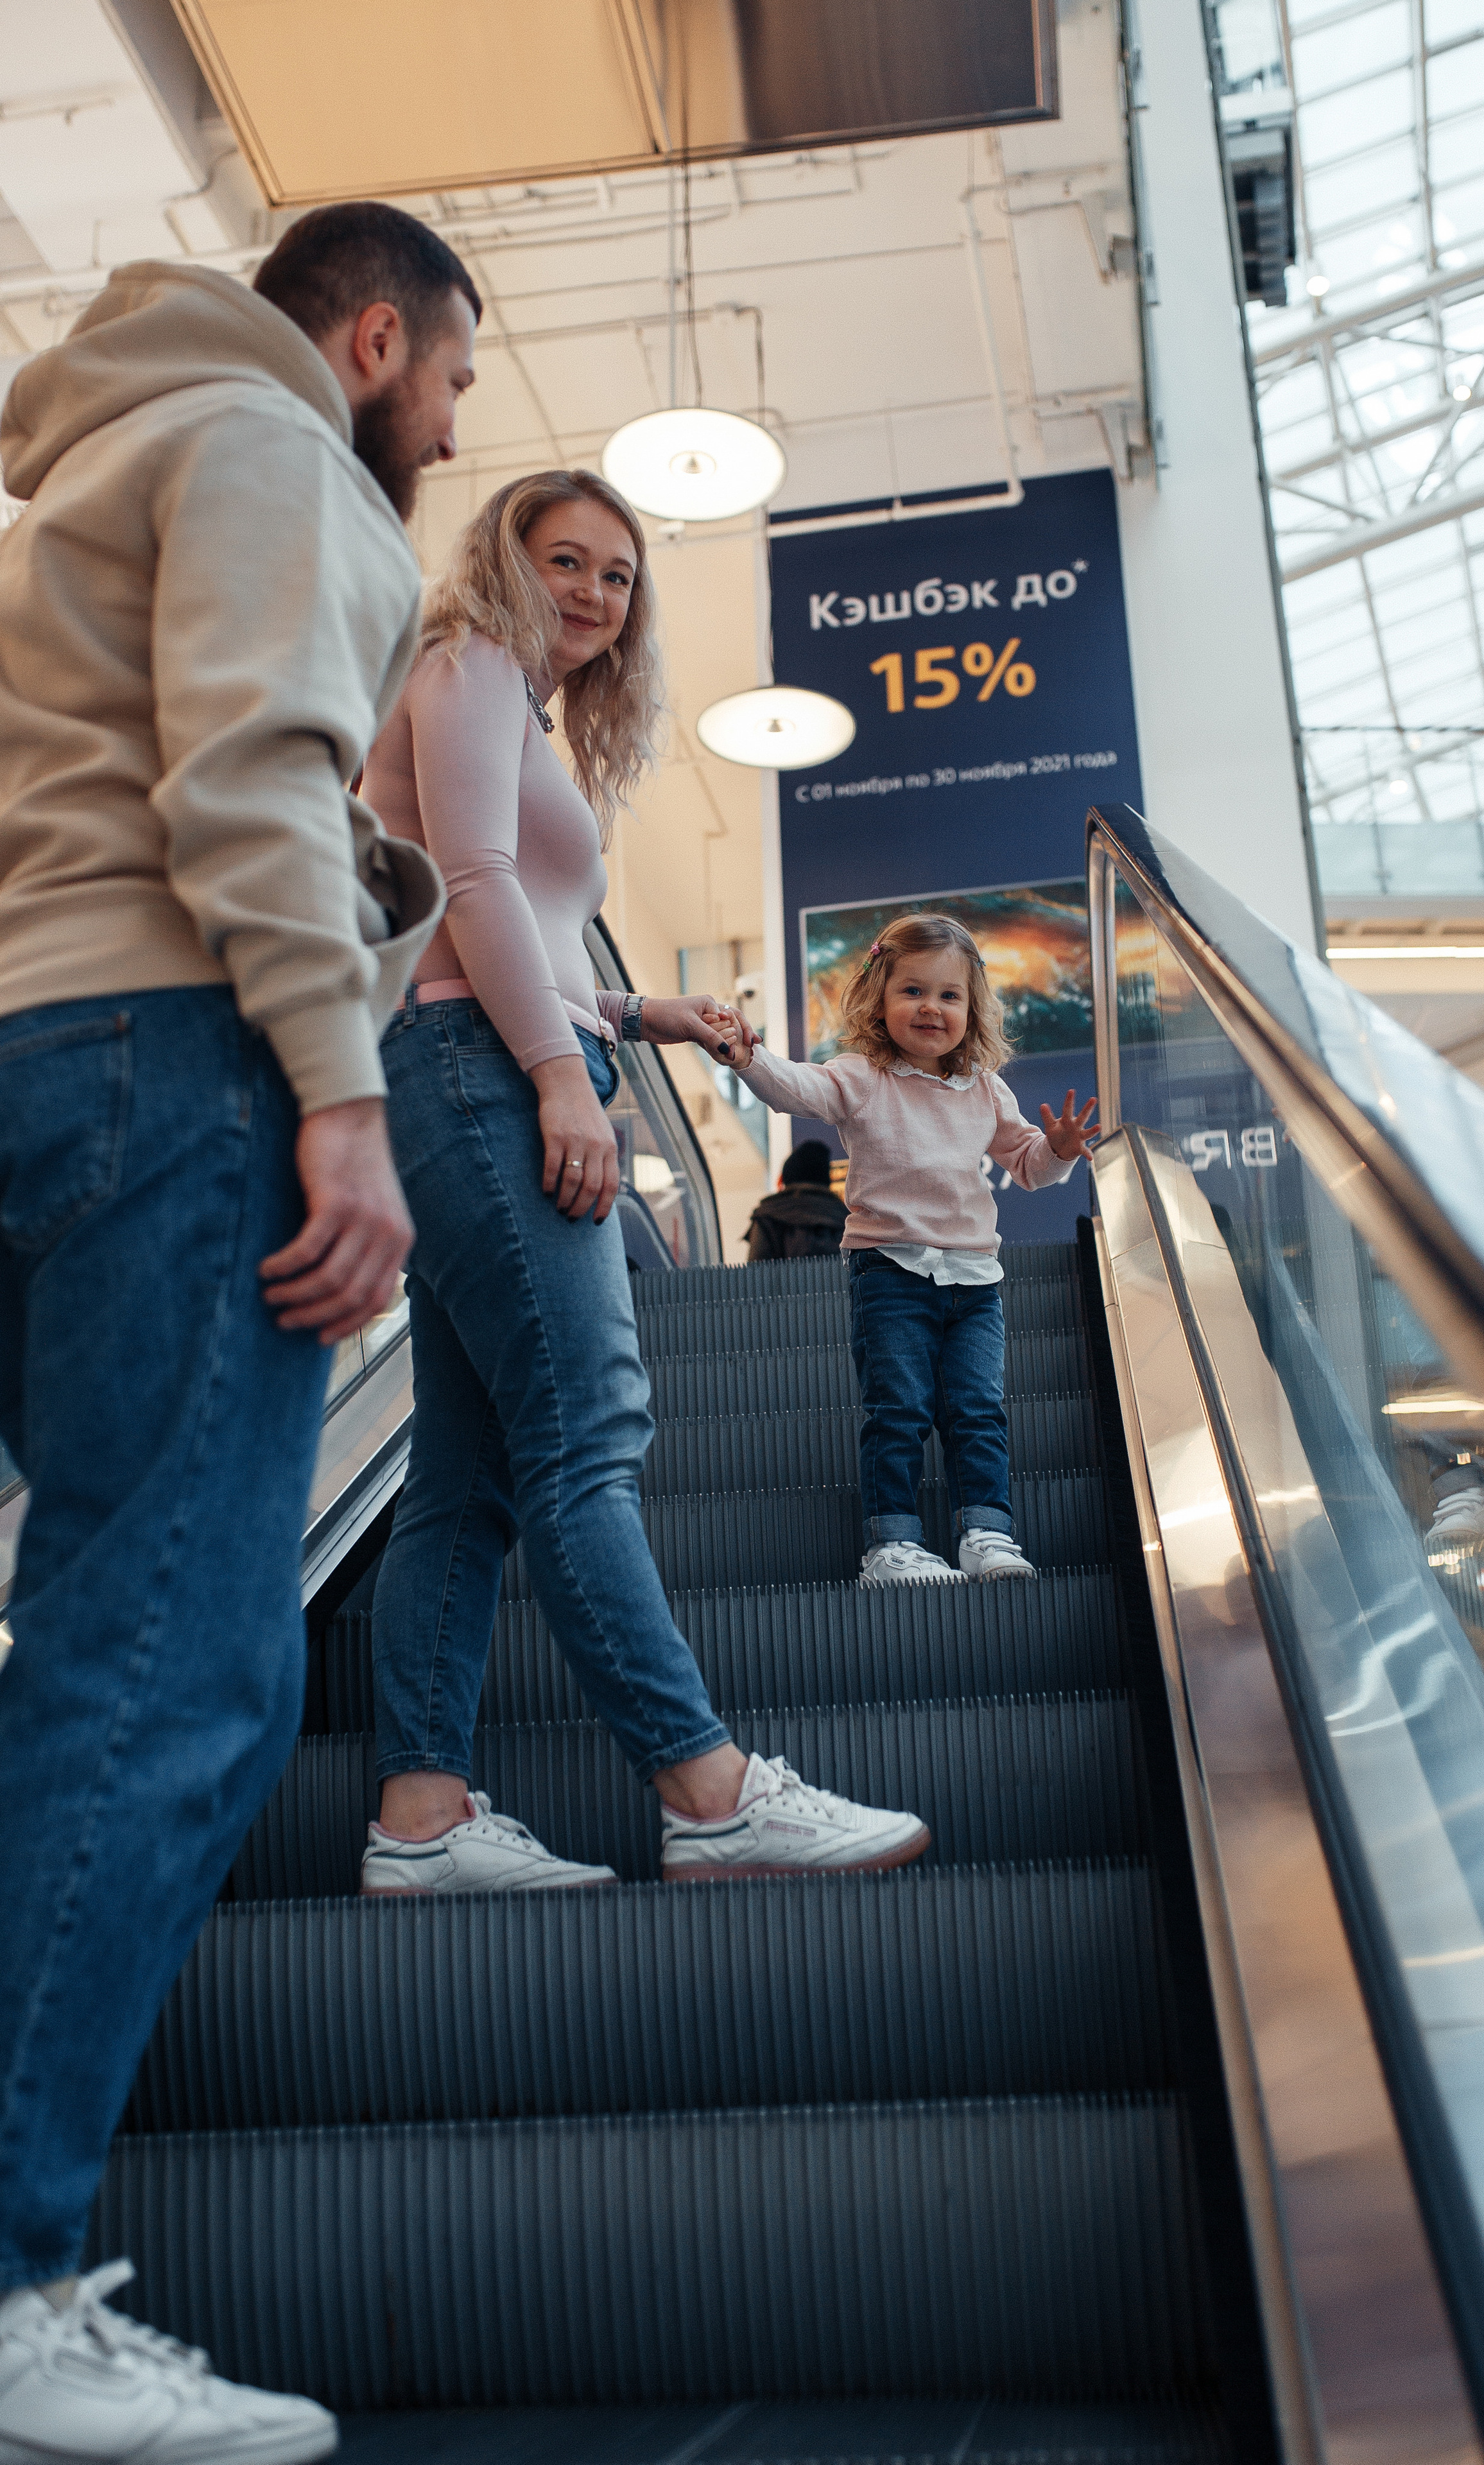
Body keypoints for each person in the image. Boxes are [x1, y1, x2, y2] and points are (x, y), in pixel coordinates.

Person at [0, 202, 479, 2461]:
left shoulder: (82, 470)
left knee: (92, 1630)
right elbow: (249, 784)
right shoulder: (276, 448)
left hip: (26, 1049)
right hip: (168, 1066)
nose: (447, 438)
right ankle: (8, 2284)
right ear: (369, 337)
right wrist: (344, 1093)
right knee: (173, 1654)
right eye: (450, 394)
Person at [358, 467, 932, 1894]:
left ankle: (420, 1815)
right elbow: (476, 885)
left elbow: (490, 917)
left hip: (457, 1060)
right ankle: (706, 1789)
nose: (593, 594)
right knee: (585, 1430)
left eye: (618, 576)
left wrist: (631, 1021)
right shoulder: (471, 655)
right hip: (477, 1075)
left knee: (464, 1476)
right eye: (566, 560)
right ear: (505, 558)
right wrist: (563, 1077)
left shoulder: (503, 696)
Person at [720, 913, 1097, 1587]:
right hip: (890, 1271)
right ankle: (889, 1547)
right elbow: (795, 1089)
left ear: (971, 1008)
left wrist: (1060, 1150)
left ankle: (986, 1533)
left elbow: (1029, 1165)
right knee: (898, 1408)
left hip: (975, 1280)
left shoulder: (984, 1087)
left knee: (977, 1409)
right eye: (913, 992)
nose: (932, 1008)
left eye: (949, 996)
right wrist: (750, 1059)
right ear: (880, 999)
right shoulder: (862, 1076)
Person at [745, 1137, 849, 1259]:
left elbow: (756, 1272)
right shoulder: (848, 1219)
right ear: (826, 1178)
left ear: (788, 1176)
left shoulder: (768, 1215)